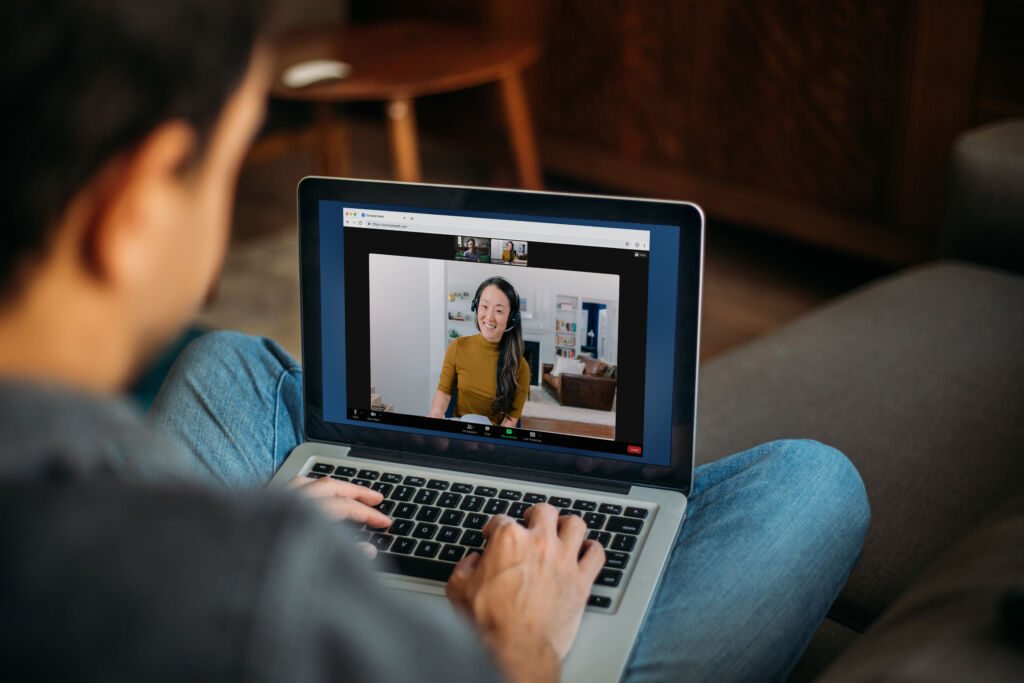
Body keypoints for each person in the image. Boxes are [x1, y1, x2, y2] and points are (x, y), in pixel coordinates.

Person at [0, 2, 870, 681]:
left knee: (232, 360)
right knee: (816, 483)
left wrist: (240, 523)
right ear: (137, 204)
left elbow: (507, 412)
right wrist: (516, 647)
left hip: (344, 510)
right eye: (229, 164)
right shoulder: (244, 589)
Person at [427, 277, 530, 426]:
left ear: (511, 317)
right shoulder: (457, 347)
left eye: (499, 310)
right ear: (475, 306)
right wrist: (436, 413)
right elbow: (444, 392)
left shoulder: (521, 367)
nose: (489, 317)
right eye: (484, 306)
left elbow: (511, 419)